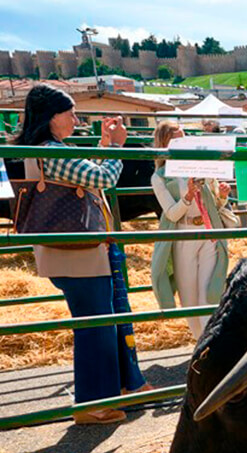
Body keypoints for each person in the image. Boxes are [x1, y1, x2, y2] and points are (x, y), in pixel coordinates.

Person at [10, 84, 148, 424]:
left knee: (100, 319)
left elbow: (86, 175)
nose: (75, 119)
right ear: (53, 117)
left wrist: (103, 144)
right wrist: (117, 147)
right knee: (93, 325)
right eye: (70, 113)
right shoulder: (51, 151)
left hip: (75, 249)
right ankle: (92, 403)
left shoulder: (50, 149)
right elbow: (101, 179)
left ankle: (115, 388)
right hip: (77, 252)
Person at [149, 120, 235, 340]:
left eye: (183, 137)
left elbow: (214, 205)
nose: (181, 143)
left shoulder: (201, 166)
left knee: (209, 291)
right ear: (164, 143)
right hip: (183, 236)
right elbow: (171, 213)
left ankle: (211, 344)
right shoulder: (160, 177)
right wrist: (187, 197)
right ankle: (201, 344)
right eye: (175, 139)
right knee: (188, 296)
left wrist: (223, 195)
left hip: (208, 233)